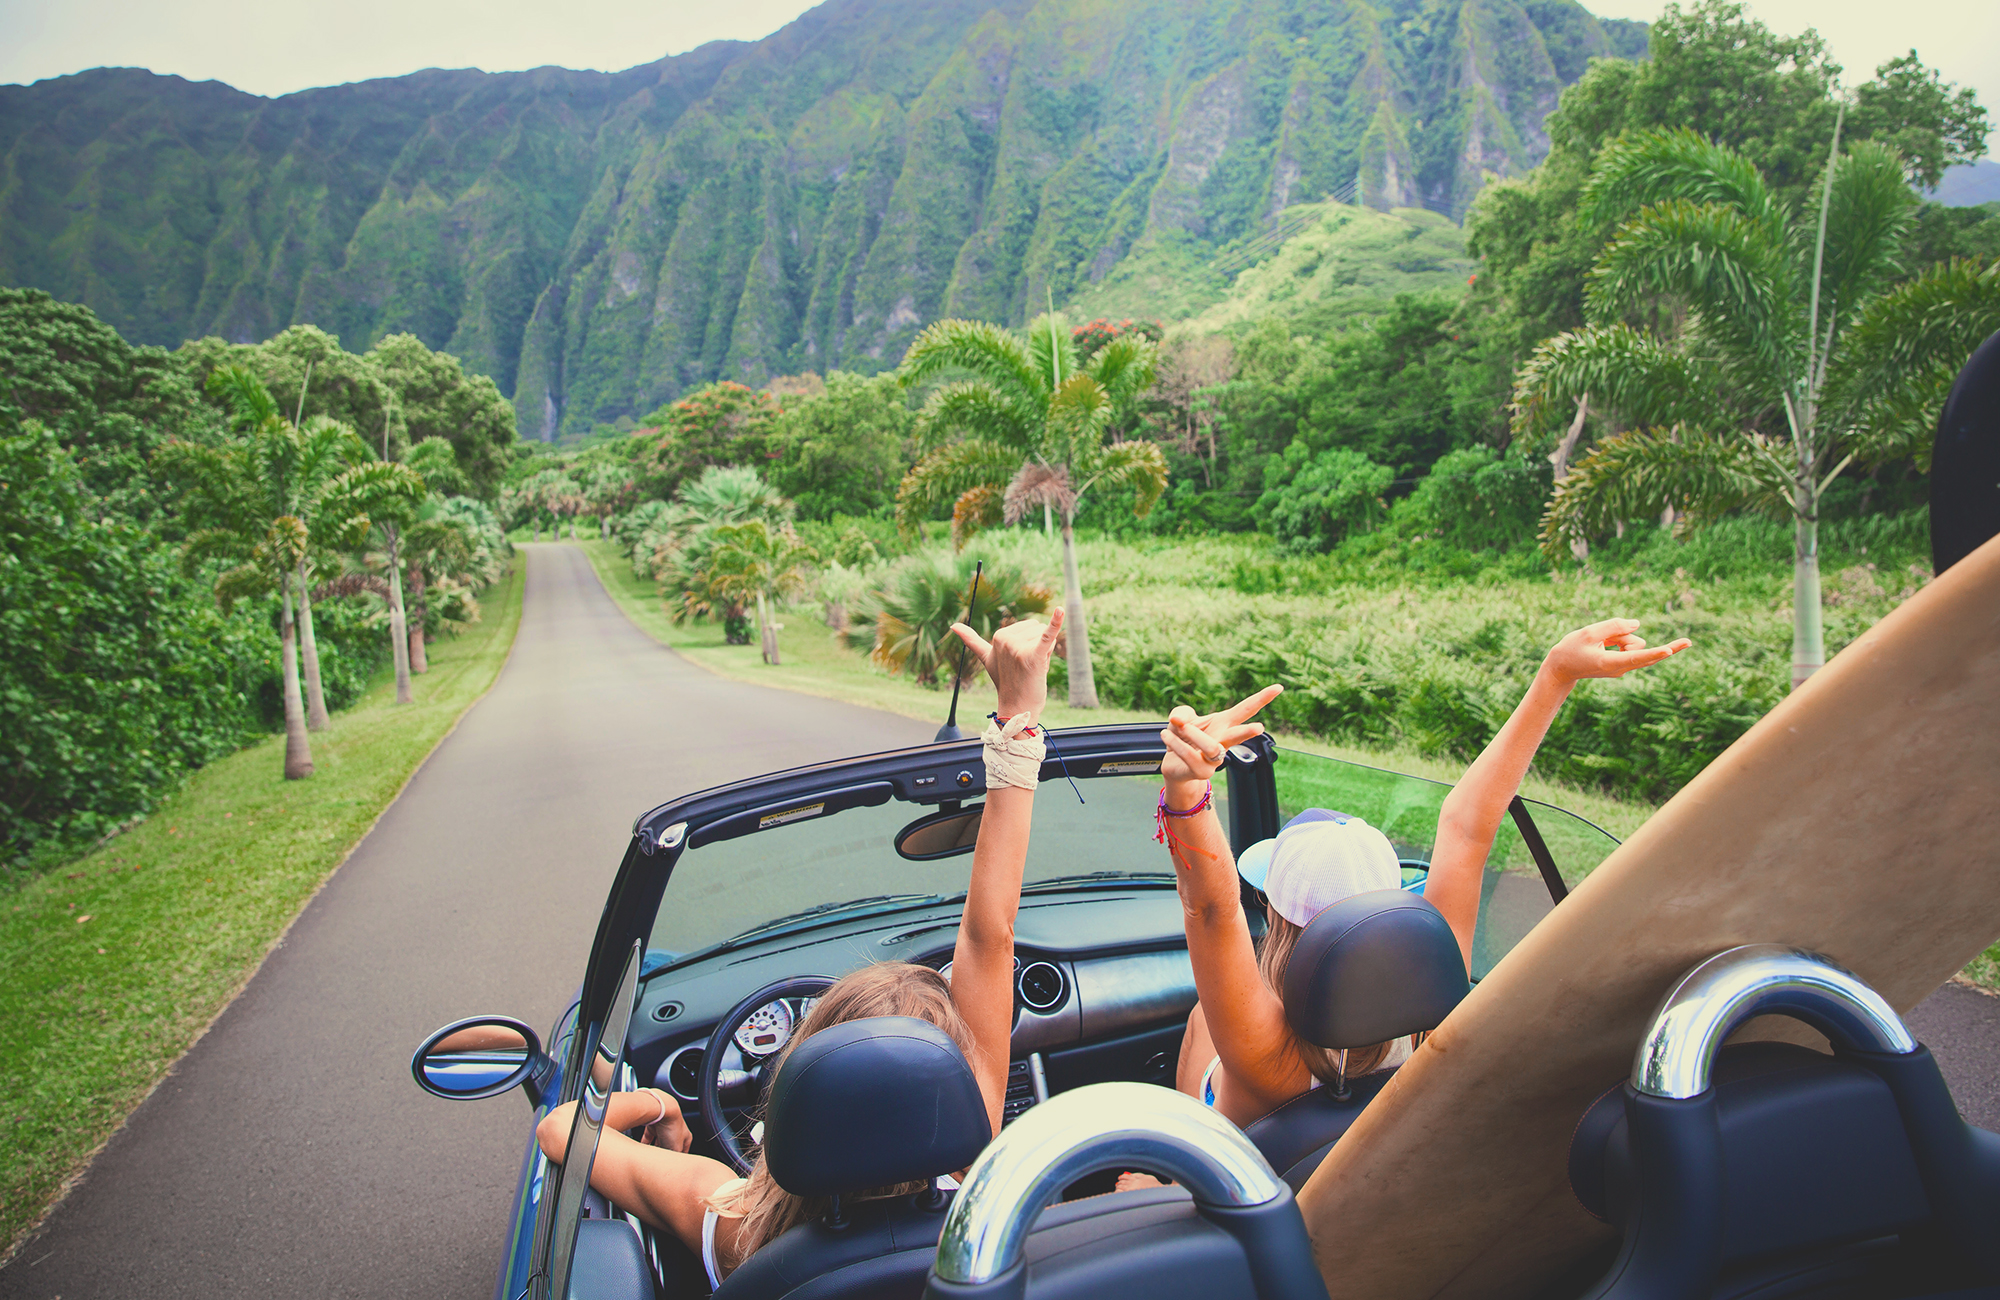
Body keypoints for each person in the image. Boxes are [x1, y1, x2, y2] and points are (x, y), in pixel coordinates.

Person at [533, 610, 1065, 1287]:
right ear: (949, 1091)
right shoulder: (979, 1183)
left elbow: (560, 1135)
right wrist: (1019, 715)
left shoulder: (732, 1220)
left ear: (795, 1077)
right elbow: (990, 936)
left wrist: (663, 1108)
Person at [1146, 619, 1690, 1134]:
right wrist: (1554, 676)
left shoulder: (1263, 1054)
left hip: (1243, 1197)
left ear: (1274, 912)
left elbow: (1212, 908)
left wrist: (1187, 788)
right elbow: (1467, 829)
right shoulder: (1433, 1015)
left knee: (1202, 1016)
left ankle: (1165, 1173)